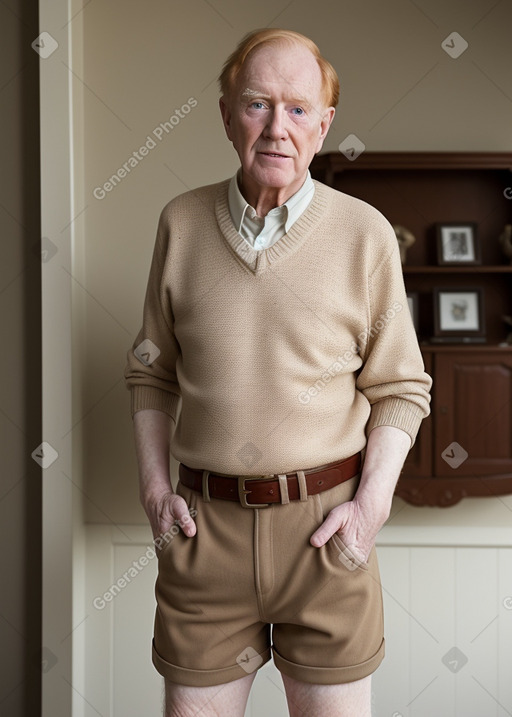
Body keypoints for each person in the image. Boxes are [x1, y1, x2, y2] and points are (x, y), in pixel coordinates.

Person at [124, 28, 432, 717]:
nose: (276, 127)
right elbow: (150, 372)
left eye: (298, 108)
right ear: (228, 113)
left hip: (327, 534)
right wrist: (153, 492)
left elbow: (400, 388)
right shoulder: (180, 223)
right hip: (205, 535)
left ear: (324, 124)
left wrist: (370, 509)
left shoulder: (367, 234)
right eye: (258, 104)